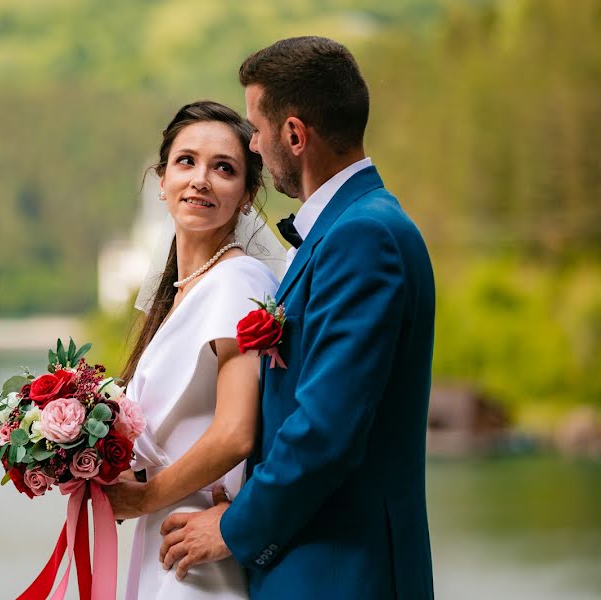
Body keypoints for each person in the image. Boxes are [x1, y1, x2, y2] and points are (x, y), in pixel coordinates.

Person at [158, 36, 436, 599]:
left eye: (256, 130)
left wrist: (235, 529)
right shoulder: (353, 227)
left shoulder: (363, 236)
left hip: (339, 573)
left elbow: (327, 428)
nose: (254, 146)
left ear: (293, 134)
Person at [103, 100, 284, 599]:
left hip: (195, 533)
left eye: (223, 168)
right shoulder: (182, 293)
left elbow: (234, 434)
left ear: (248, 197)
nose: (200, 179)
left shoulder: (237, 281)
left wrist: (142, 500)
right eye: (186, 162)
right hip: (166, 529)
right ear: (161, 182)